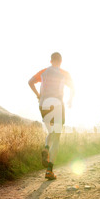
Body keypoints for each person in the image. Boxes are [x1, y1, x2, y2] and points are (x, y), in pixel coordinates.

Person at [28, 52, 75, 180]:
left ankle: (46, 147)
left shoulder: (43, 72)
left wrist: (38, 95)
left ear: (50, 61)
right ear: (60, 61)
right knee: (57, 136)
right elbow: (73, 87)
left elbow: (30, 82)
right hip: (57, 104)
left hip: (43, 104)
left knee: (50, 132)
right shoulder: (64, 73)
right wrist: (70, 100)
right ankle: (49, 171)